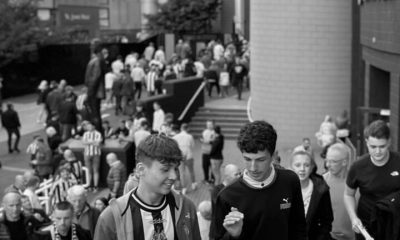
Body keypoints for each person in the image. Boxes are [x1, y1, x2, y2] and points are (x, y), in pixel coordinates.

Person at [94, 134, 201, 240]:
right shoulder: (111, 217)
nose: (174, 176)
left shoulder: (186, 207)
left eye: (176, 168)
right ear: (141, 169)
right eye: (165, 169)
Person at [212, 121, 307, 240]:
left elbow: (299, 228)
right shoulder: (227, 196)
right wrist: (233, 236)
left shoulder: (290, 180)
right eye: (247, 159)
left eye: (260, 160)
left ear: (273, 156)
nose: (253, 168)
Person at [344, 120, 400, 239]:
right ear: (366, 143)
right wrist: (354, 218)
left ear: (389, 142)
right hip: (367, 225)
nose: (378, 151)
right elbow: (348, 195)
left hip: (394, 224)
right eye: (373, 146)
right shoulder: (358, 166)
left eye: (382, 146)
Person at [290, 151, 333, 240]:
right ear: (291, 167)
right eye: (297, 165)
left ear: (312, 167)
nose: (302, 169)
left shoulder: (321, 189)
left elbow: (327, 221)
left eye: (306, 165)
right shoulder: (284, 189)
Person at [323, 143, 354, 240]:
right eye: (327, 161)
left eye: (333, 161)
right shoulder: (321, 182)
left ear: (344, 162)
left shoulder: (356, 183)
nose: (328, 165)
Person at [209, 164, 241, 240]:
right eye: (236, 174)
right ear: (227, 177)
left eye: (240, 173)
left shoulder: (237, 188)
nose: (239, 176)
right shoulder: (217, 191)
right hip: (219, 232)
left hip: (232, 231)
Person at [84, 39, 106, 133]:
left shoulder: (97, 59)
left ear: (97, 46)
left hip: (95, 92)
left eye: (92, 45)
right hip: (95, 91)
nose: (90, 47)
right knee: (94, 114)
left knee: (95, 114)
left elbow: (95, 78)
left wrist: (89, 92)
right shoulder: (97, 58)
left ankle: (98, 134)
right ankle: (98, 134)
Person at [173, 123, 196, 194]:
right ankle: (193, 184)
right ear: (187, 129)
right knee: (191, 171)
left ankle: (184, 188)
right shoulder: (190, 136)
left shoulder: (175, 137)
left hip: (180, 156)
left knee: (182, 173)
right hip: (189, 156)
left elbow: (174, 146)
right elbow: (193, 146)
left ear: (181, 128)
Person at [82, 121, 102, 191]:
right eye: (88, 126)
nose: (89, 127)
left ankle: (95, 186)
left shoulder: (98, 134)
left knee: (95, 170)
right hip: (87, 154)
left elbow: (98, 144)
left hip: (96, 154)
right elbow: (83, 142)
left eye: (90, 126)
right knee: (88, 171)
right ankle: (89, 185)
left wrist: (89, 142)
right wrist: (93, 142)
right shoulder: (85, 134)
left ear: (94, 127)